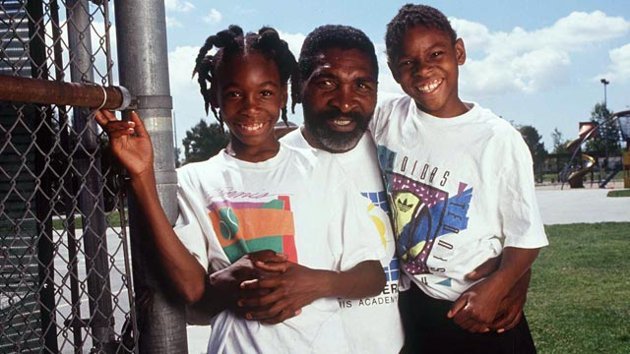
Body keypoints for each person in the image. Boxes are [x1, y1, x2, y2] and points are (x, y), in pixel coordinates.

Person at [95, 25, 386, 354]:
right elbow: (193, 291)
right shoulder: (196, 180)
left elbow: (373, 275)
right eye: (234, 93)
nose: (250, 106)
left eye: (264, 92)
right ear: (215, 98)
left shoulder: (323, 169)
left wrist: (313, 283)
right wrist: (143, 177)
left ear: (284, 95)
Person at [371, 4, 549, 353]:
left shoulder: (497, 138)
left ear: (459, 52)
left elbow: (525, 238)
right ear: (393, 71)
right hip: (415, 305)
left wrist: (500, 285)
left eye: (436, 54)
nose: (424, 70)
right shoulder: (387, 118)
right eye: (408, 62)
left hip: (477, 307)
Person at [281, 25, 405, 354]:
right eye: (327, 82)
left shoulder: (392, 151)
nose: (345, 102)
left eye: (361, 85)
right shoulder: (276, 165)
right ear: (298, 86)